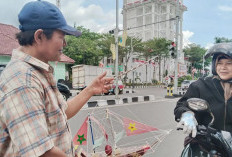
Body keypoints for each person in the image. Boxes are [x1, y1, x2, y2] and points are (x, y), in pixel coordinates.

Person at [0, 1, 113, 157]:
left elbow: (61, 114)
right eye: (61, 37)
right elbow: (41, 152)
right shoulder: (22, 80)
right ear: (39, 36)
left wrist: (90, 89)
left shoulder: (38, 72)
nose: (65, 44)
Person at [174, 42, 232, 156]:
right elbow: (181, 105)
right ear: (214, 65)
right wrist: (187, 114)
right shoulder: (201, 85)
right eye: (219, 63)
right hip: (204, 143)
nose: (223, 67)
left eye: (229, 63)